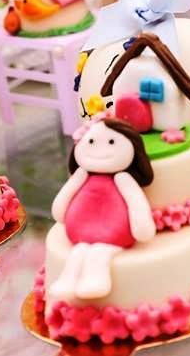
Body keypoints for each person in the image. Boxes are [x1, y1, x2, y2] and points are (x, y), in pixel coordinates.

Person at [49, 118, 156, 300]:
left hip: (114, 229)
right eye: (91, 141)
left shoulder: (123, 179)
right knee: (79, 251)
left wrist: (142, 228)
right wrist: (60, 213)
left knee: (100, 251)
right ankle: (66, 281)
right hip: (80, 227)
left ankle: (97, 281)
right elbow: (64, 198)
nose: (101, 150)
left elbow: (135, 201)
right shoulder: (81, 175)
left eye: (112, 142)